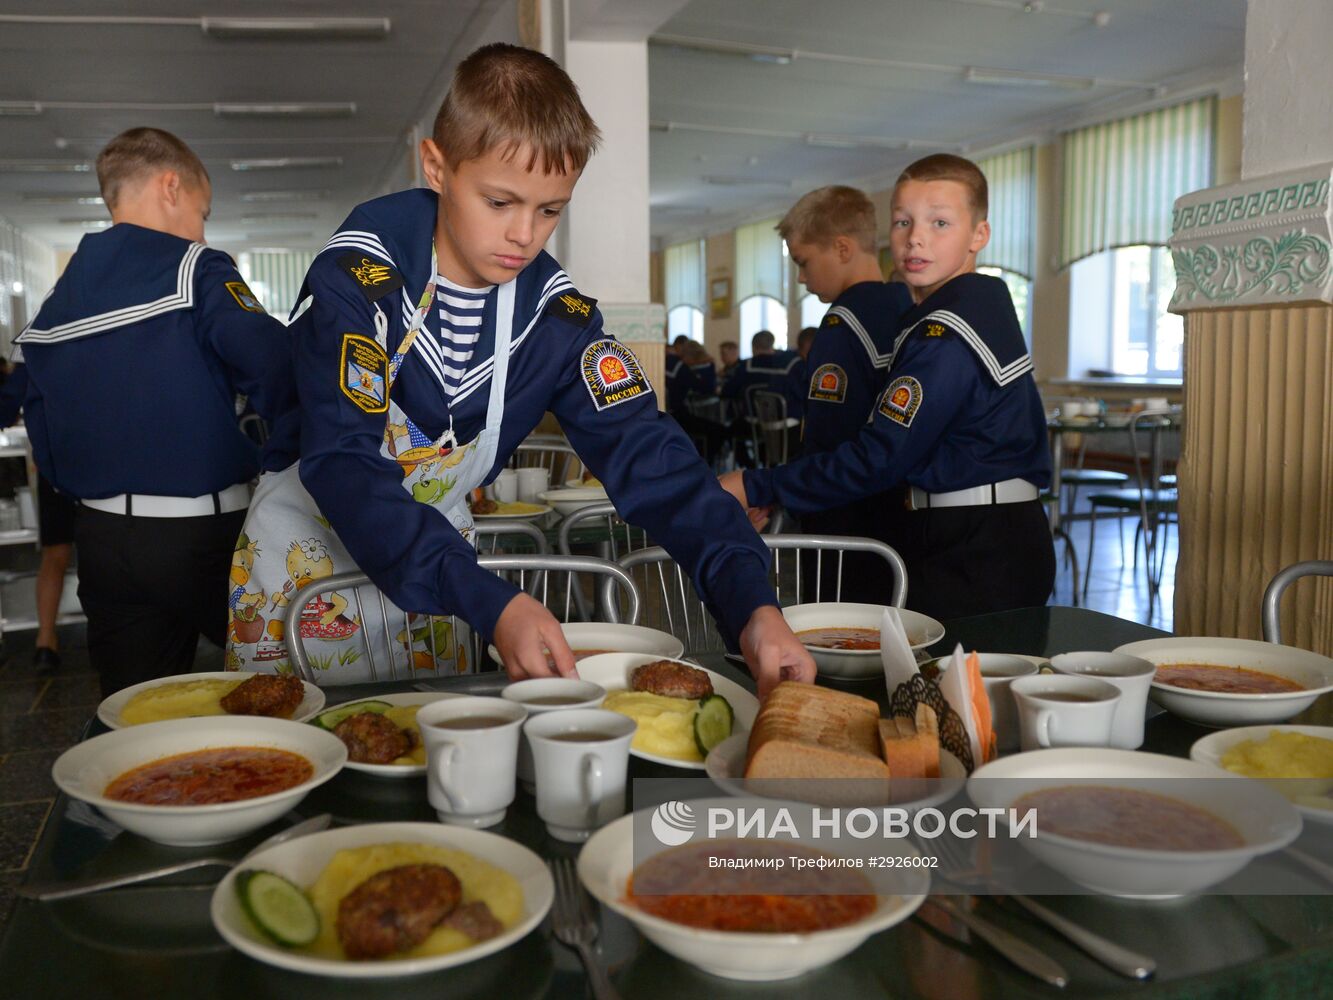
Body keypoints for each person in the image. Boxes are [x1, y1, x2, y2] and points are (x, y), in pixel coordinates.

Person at [229, 44, 813, 696]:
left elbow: (653, 460)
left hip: (435, 586)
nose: (523, 237)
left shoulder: (554, 318)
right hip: (309, 571)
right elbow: (344, 463)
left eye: (548, 210)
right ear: (436, 167)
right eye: (499, 202)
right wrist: (488, 599)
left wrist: (751, 604)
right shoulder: (359, 279)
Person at [12, 127, 296, 697]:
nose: (201, 228)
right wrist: (284, 460)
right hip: (205, 537)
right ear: (171, 186)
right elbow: (274, 367)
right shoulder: (195, 268)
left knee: (136, 710)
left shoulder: (56, 303)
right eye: (203, 211)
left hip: (103, 542)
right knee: (282, 690)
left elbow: (38, 417)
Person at [721, 154, 1055, 620]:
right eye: (903, 221)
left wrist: (759, 483)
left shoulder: (949, 330)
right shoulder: (945, 313)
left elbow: (881, 453)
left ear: (980, 235)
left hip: (976, 545)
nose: (916, 237)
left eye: (940, 222)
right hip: (963, 531)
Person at [779, 186, 915, 603]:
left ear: (841, 248)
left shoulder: (843, 323)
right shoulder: (908, 303)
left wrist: (785, 492)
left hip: (844, 517)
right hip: (901, 515)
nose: (801, 278)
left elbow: (827, 435)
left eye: (803, 262)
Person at [0, 363, 75, 673]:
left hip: (56, 464)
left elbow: (5, 409)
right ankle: (119, 636)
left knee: (54, 554)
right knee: (113, 547)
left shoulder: (36, 343)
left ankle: (45, 642)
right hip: (106, 460)